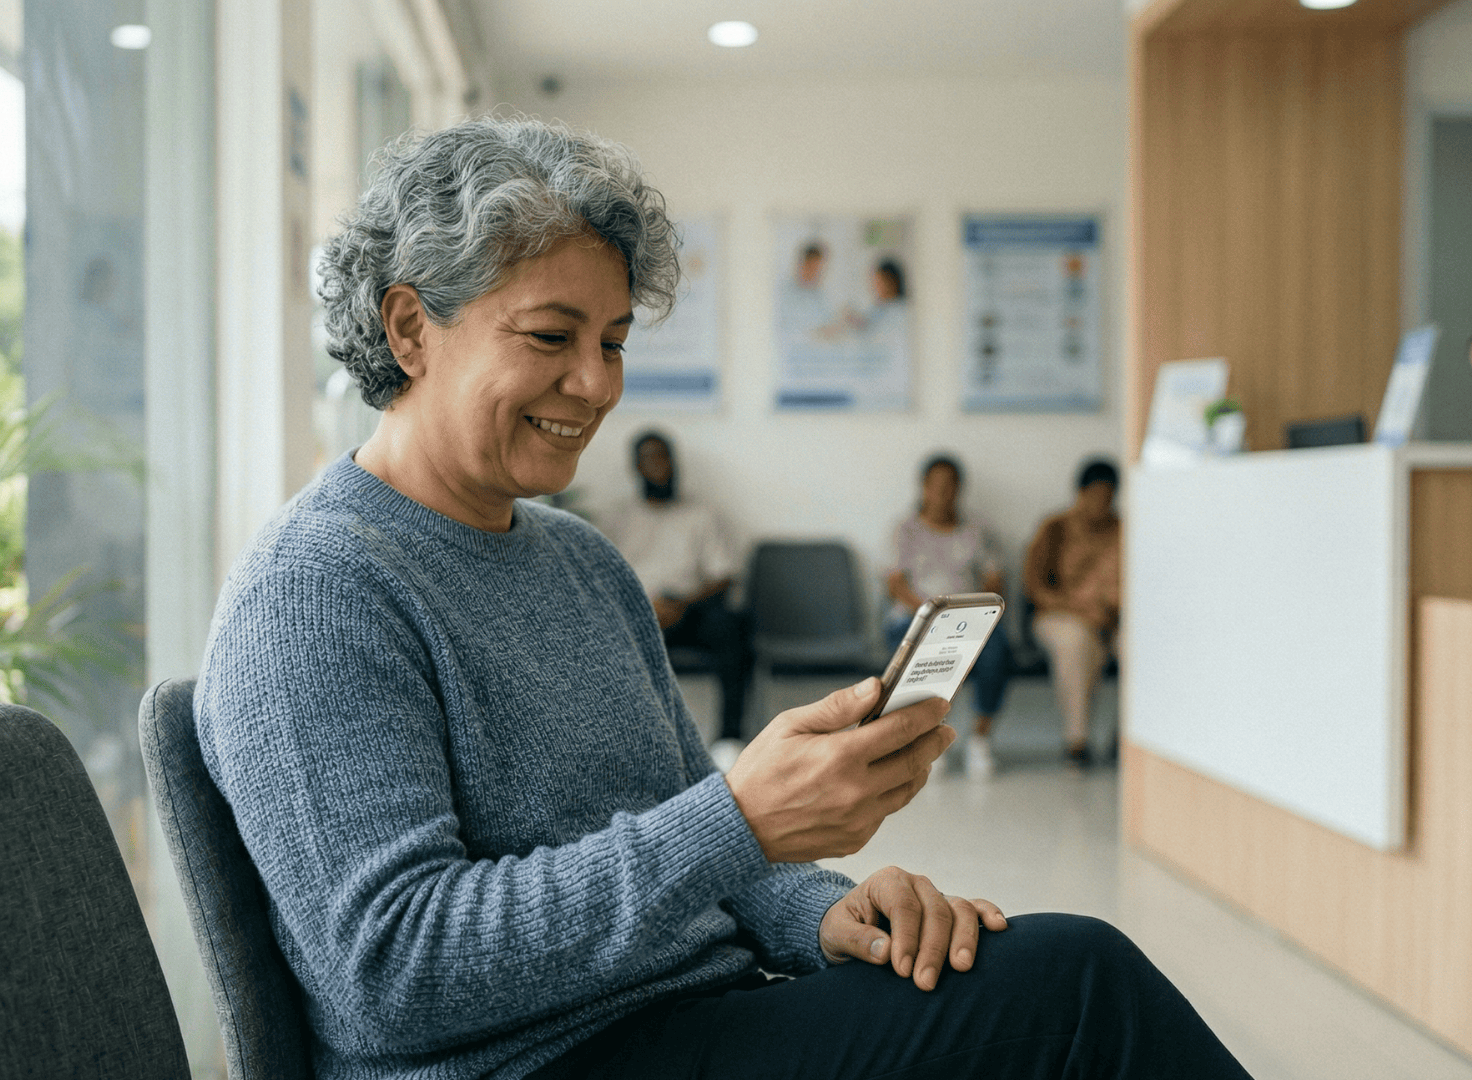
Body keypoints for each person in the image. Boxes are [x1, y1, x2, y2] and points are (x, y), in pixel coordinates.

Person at [189, 117, 1247, 1080]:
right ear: (411, 328)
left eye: (612, 343)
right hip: (533, 1063)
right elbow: (394, 972)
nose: (599, 386)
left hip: (689, 1018)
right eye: (552, 339)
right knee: (1076, 988)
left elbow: (705, 857)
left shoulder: (583, 564)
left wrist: (834, 917)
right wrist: (739, 818)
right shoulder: (316, 593)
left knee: (1028, 973)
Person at [601, 430, 750, 763]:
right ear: (635, 467)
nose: (660, 466)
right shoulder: (617, 519)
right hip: (637, 611)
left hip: (688, 609)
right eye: (650, 458)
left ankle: (729, 740)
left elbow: (723, 576)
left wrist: (680, 604)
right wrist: (645, 608)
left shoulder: (701, 515)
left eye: (665, 456)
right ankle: (623, 742)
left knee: (734, 624)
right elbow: (601, 578)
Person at [884, 454, 1012, 779]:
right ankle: (927, 738)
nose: (943, 494)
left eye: (950, 486)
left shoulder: (977, 530)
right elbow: (895, 584)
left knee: (997, 651)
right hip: (916, 617)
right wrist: (930, 614)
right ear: (924, 488)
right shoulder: (905, 530)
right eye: (936, 486)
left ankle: (980, 740)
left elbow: (994, 579)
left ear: (960, 489)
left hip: (969, 617)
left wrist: (974, 612)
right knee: (926, 651)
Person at [1025, 458, 1124, 765]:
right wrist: (1081, 608)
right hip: (1063, 616)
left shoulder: (1125, 531)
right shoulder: (1055, 528)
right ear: (1080, 493)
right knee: (1075, 642)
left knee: (1143, 647)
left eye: (1107, 497)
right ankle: (1077, 742)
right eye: (1095, 495)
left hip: (1114, 619)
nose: (1101, 503)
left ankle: (1129, 739)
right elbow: (1036, 588)